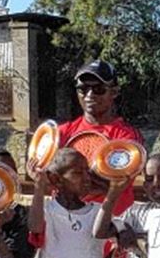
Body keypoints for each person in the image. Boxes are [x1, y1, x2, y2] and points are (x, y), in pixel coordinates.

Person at [58, 60, 144, 213]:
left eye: (98, 89)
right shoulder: (61, 132)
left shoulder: (126, 136)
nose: (89, 95)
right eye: (83, 89)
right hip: (66, 222)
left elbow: (116, 183)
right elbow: (43, 176)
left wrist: (68, 179)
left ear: (114, 92)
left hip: (109, 224)